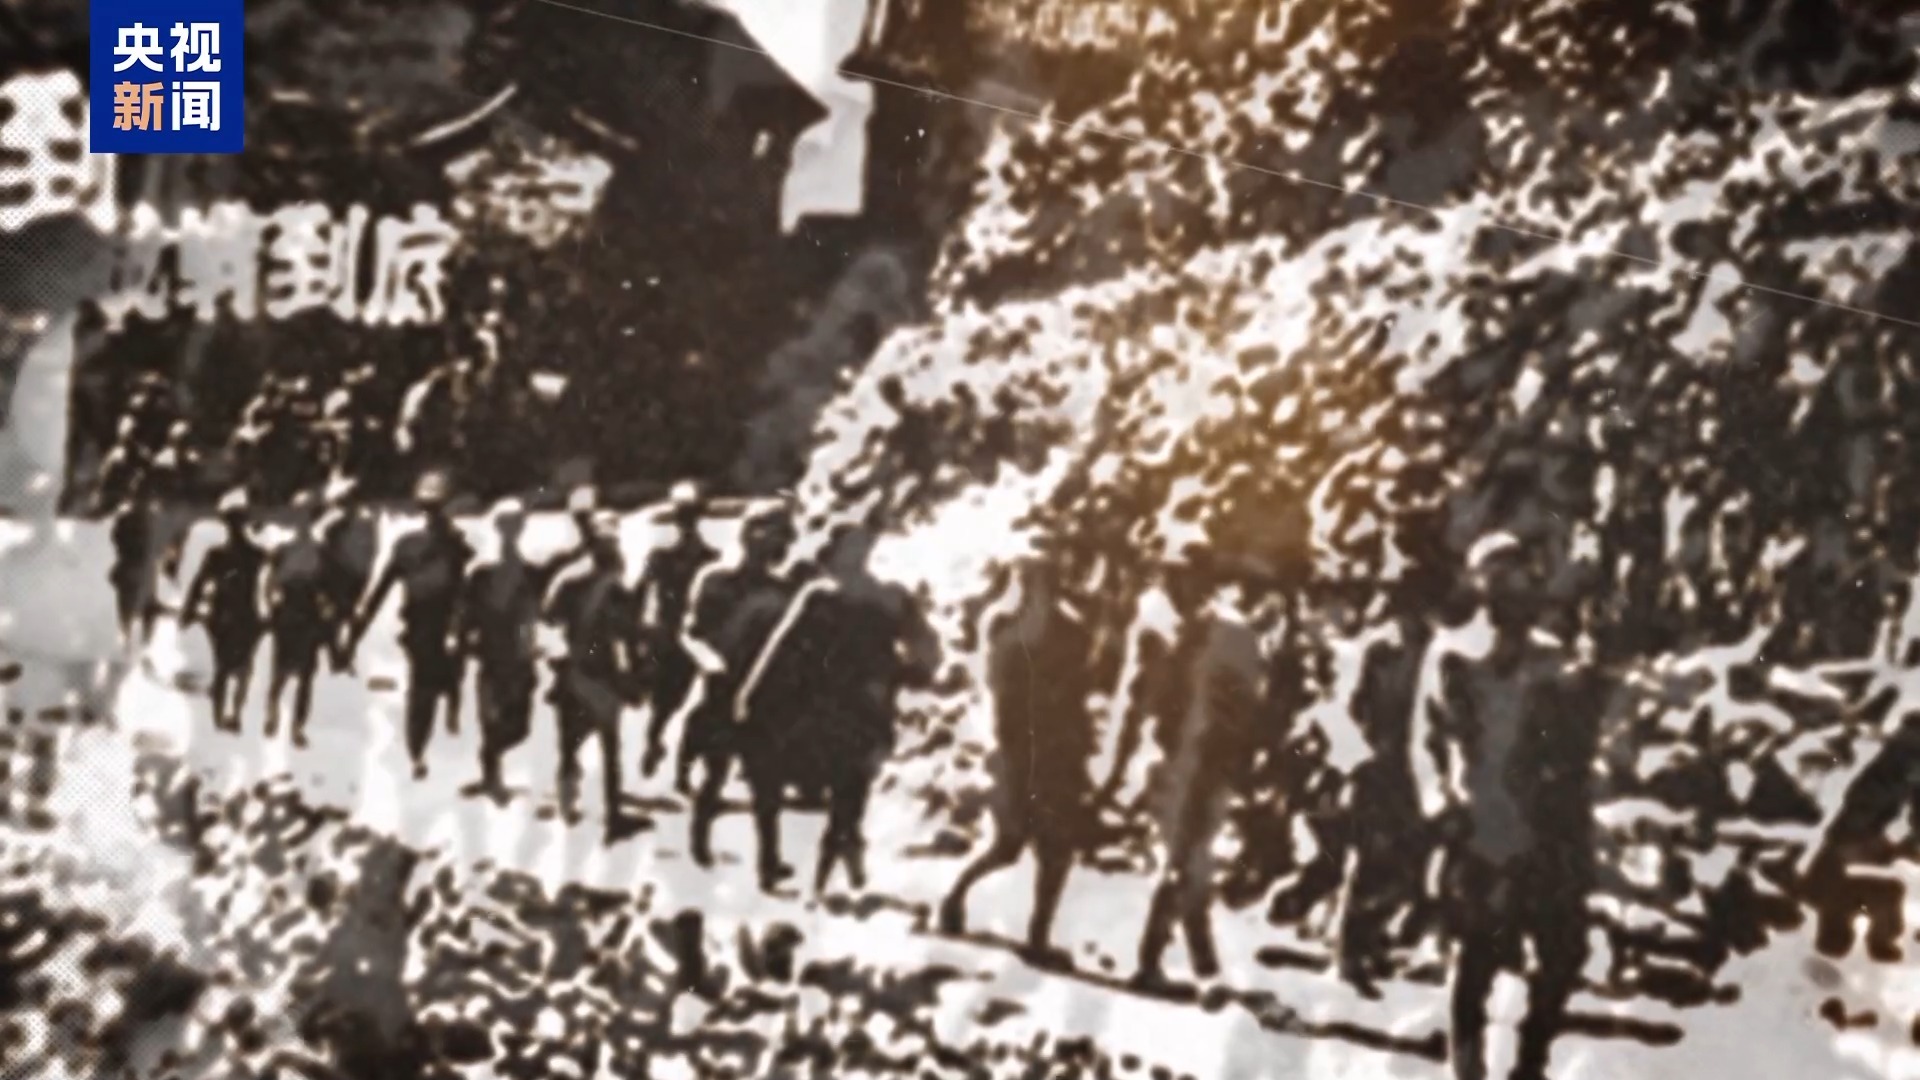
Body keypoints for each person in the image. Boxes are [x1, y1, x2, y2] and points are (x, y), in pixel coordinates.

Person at [1427, 533, 1608, 1080]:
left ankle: (1530, 1062)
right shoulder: (1455, 658)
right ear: (1479, 587)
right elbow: (1432, 743)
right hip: (1484, 830)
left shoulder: (1554, 662)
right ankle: (1467, 1068)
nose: (1513, 591)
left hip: (1546, 833)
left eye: (1520, 579)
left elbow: (1577, 750)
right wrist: (1445, 807)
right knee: (1477, 958)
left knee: (1563, 952)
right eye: (1499, 580)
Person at [739, 523, 940, 894]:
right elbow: (927, 652)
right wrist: (906, 673)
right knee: (848, 786)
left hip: (830, 708)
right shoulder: (885, 597)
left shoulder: (829, 595)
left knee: (797, 778)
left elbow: (779, 648)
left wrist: (750, 696)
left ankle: (823, 862)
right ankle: (833, 856)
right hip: (854, 708)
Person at [1111, 544, 1267, 994]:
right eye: (1172, 582)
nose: (1179, 590)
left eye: (1187, 580)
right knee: (1186, 865)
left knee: (1189, 866)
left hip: (1208, 766)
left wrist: (1237, 764)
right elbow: (1147, 702)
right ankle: (1180, 968)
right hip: (1175, 766)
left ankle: (1189, 968)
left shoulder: (1233, 638)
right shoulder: (1172, 635)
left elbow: (1245, 711)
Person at [939, 547, 1100, 969]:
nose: (1038, 587)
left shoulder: (1069, 630)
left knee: (1054, 848)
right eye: (1032, 580)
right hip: (1020, 751)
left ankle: (1037, 936)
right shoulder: (1006, 627)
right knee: (1009, 846)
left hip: (1056, 752)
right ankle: (956, 898)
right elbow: (999, 693)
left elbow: (1079, 692)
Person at [1335, 565, 1445, 999]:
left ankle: (1374, 939)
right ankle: (1351, 951)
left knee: (1410, 864)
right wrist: (1363, 754)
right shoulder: (1379, 651)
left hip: (1416, 770)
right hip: (1379, 768)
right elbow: (1355, 708)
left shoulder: (1434, 651)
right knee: (1371, 861)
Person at [678, 503, 800, 888]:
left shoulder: (782, 591)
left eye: (781, 537)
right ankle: (699, 840)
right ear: (747, 536)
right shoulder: (714, 580)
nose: (773, 545)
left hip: (765, 695)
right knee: (716, 772)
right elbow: (690, 634)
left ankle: (769, 863)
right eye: (768, 534)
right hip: (721, 690)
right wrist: (708, 660)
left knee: (768, 781)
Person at [452, 499, 579, 802]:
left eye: (515, 525)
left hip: (520, 657)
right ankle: (491, 776)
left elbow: (561, 570)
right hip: (492, 656)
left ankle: (491, 763)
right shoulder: (481, 574)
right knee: (491, 719)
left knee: (519, 727)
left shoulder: (530, 573)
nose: (510, 531)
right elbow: (464, 613)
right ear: (498, 528)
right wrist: (460, 641)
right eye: (506, 525)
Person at [350, 472, 474, 779]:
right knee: (425, 689)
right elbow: (381, 588)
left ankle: (431, 735)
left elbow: (463, 593)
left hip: (441, 625)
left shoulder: (454, 546)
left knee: (435, 684)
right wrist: (357, 629)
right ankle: (418, 750)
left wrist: (357, 628)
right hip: (425, 627)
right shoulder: (422, 546)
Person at [544, 521, 644, 839]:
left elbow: (548, 622)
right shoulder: (614, 587)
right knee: (609, 747)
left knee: (570, 744)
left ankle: (568, 806)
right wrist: (633, 678)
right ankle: (612, 816)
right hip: (601, 675)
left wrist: (557, 658)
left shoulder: (568, 580)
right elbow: (627, 638)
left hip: (573, 673)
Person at [636, 482, 719, 789]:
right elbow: (642, 592)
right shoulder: (700, 556)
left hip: (675, 634)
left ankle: (663, 750)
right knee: (675, 701)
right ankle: (671, 759)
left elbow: (640, 592)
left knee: (671, 702)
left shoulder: (673, 555)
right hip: (679, 635)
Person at [182, 491, 268, 732]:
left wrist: (189, 610)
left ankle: (220, 716)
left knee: (223, 667)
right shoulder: (257, 555)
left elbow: (199, 584)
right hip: (247, 615)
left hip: (223, 615)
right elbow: (269, 587)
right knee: (242, 668)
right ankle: (234, 714)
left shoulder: (217, 555)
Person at [263, 492, 330, 747]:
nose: (303, 521)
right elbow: (270, 583)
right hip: (290, 611)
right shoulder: (284, 551)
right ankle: (273, 714)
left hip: (307, 612)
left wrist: (325, 610)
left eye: (307, 516)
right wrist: (271, 605)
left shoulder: (320, 552)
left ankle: (297, 727)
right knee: (281, 672)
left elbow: (325, 588)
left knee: (305, 676)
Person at [319, 476, 379, 672]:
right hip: (348, 573)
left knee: (342, 615)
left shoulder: (360, 524)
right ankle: (341, 654)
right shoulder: (360, 524)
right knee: (342, 615)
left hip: (349, 573)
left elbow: (371, 550)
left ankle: (342, 653)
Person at [107, 490, 161, 650]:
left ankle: (133, 641)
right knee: (142, 606)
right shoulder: (151, 519)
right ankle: (138, 642)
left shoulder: (128, 519)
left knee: (131, 606)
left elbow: (116, 539)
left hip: (135, 566)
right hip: (138, 566)